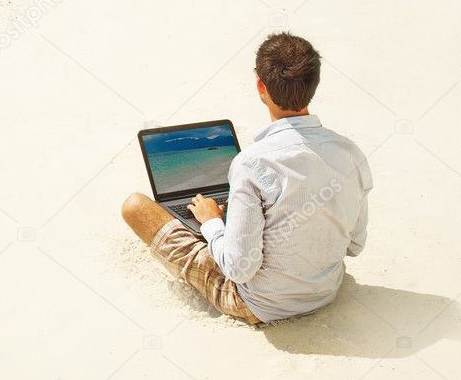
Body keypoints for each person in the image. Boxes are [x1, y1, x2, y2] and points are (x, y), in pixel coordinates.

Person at [121, 33, 373, 324]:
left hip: (260, 304)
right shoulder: (351, 153)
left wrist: (212, 223)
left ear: (260, 87)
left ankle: (208, 225)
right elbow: (355, 246)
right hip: (325, 291)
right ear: (314, 85)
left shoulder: (251, 163)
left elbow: (239, 269)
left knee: (135, 206)